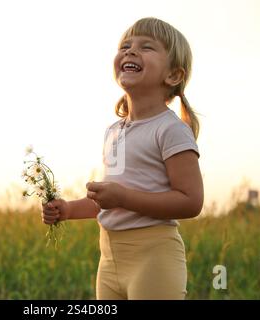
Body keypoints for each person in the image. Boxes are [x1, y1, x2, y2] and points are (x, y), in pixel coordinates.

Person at [42, 17, 204, 300]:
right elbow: (110, 203)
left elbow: (191, 201)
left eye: (146, 47)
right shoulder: (114, 132)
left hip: (154, 257)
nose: (130, 51)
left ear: (173, 76)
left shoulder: (171, 129)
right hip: (109, 260)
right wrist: (67, 209)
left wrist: (122, 198)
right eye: (125, 46)